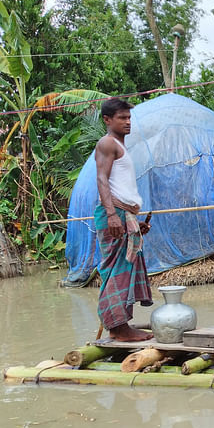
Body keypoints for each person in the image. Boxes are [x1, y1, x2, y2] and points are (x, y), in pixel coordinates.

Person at [94, 98, 153, 341]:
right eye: (122, 118)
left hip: (123, 214)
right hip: (115, 213)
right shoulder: (107, 143)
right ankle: (118, 328)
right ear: (107, 120)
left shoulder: (120, 145)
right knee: (117, 269)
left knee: (125, 269)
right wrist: (112, 215)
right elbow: (101, 179)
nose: (128, 122)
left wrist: (133, 222)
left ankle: (121, 324)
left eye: (129, 117)